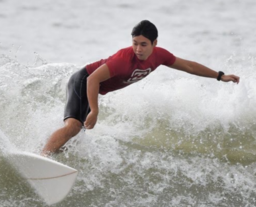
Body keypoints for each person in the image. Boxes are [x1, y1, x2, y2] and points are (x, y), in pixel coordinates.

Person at [41, 20, 240, 156]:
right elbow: (92, 79)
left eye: (143, 44)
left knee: (76, 135)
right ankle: (42, 156)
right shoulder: (123, 59)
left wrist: (219, 76)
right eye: (135, 43)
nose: (138, 49)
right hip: (83, 81)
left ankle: (50, 156)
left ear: (155, 43)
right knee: (74, 127)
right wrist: (94, 110)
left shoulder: (161, 56)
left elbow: (188, 66)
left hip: (92, 86)